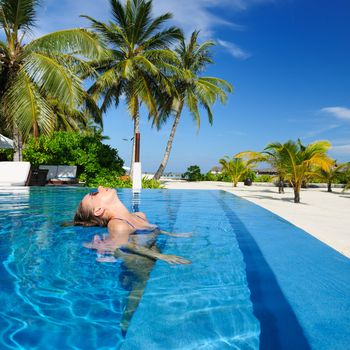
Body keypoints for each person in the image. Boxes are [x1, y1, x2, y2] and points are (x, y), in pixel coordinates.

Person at [73, 186, 191, 265]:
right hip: (136, 262)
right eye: (95, 193)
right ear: (98, 210)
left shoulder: (139, 216)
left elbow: (154, 231)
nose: (100, 187)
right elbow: (128, 246)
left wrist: (175, 235)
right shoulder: (117, 225)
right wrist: (163, 256)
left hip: (149, 252)